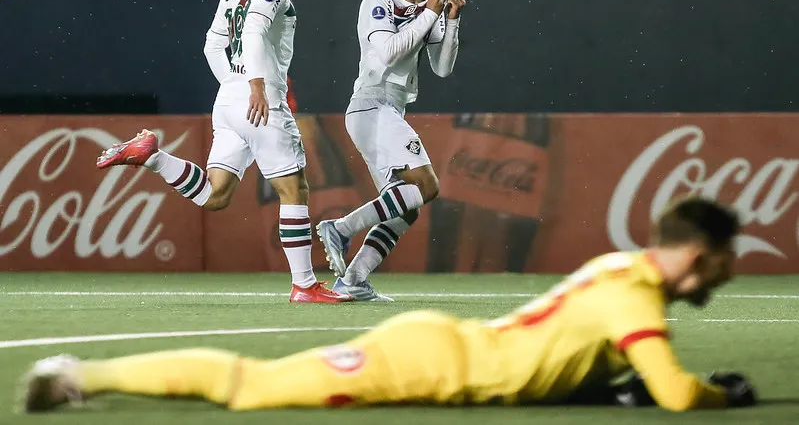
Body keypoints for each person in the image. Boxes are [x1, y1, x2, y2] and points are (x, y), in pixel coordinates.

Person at [22, 196, 756, 413]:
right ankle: (76, 374)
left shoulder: (618, 267)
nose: (724, 278)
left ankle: (77, 374)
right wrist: (723, 395)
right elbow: (675, 393)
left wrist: (604, 392)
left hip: (450, 347)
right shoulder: (633, 294)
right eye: (723, 265)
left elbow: (566, 354)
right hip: (430, 363)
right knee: (251, 385)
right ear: (697, 256)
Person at [94, 0, 350, 303]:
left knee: (217, 195)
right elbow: (251, 34)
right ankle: (304, 285)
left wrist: (233, 83)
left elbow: (212, 44)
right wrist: (256, 86)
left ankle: (152, 156)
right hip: (256, 99)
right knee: (295, 190)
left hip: (229, 98)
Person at [316, 0, 467, 301]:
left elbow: (442, 68)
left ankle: (352, 280)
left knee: (407, 209)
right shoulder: (378, 1)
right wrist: (430, 14)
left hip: (390, 111)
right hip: (371, 105)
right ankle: (339, 228)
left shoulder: (426, 10)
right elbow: (386, 53)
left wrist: (453, 19)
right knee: (427, 186)